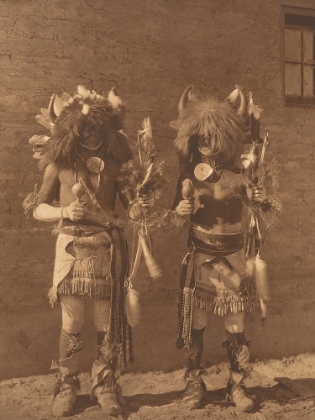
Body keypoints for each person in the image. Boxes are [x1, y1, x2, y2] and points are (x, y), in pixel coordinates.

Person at [25, 85, 151, 417]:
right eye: (86, 129)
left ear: (107, 130)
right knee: (72, 319)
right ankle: (67, 383)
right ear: (73, 130)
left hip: (105, 247)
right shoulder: (60, 164)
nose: (92, 135)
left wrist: (139, 207)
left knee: (105, 320)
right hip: (70, 246)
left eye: (98, 129)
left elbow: (132, 203)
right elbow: (38, 208)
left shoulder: (115, 165)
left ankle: (105, 384)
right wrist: (64, 212)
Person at [171, 85, 267, 412]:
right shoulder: (189, 175)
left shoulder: (239, 176)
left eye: (214, 137)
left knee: (235, 326)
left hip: (233, 260)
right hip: (200, 259)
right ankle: (194, 384)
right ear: (194, 139)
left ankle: (236, 386)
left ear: (226, 138)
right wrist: (179, 212)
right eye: (202, 137)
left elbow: (268, 208)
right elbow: (171, 219)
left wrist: (261, 200)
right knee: (195, 324)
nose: (207, 144)